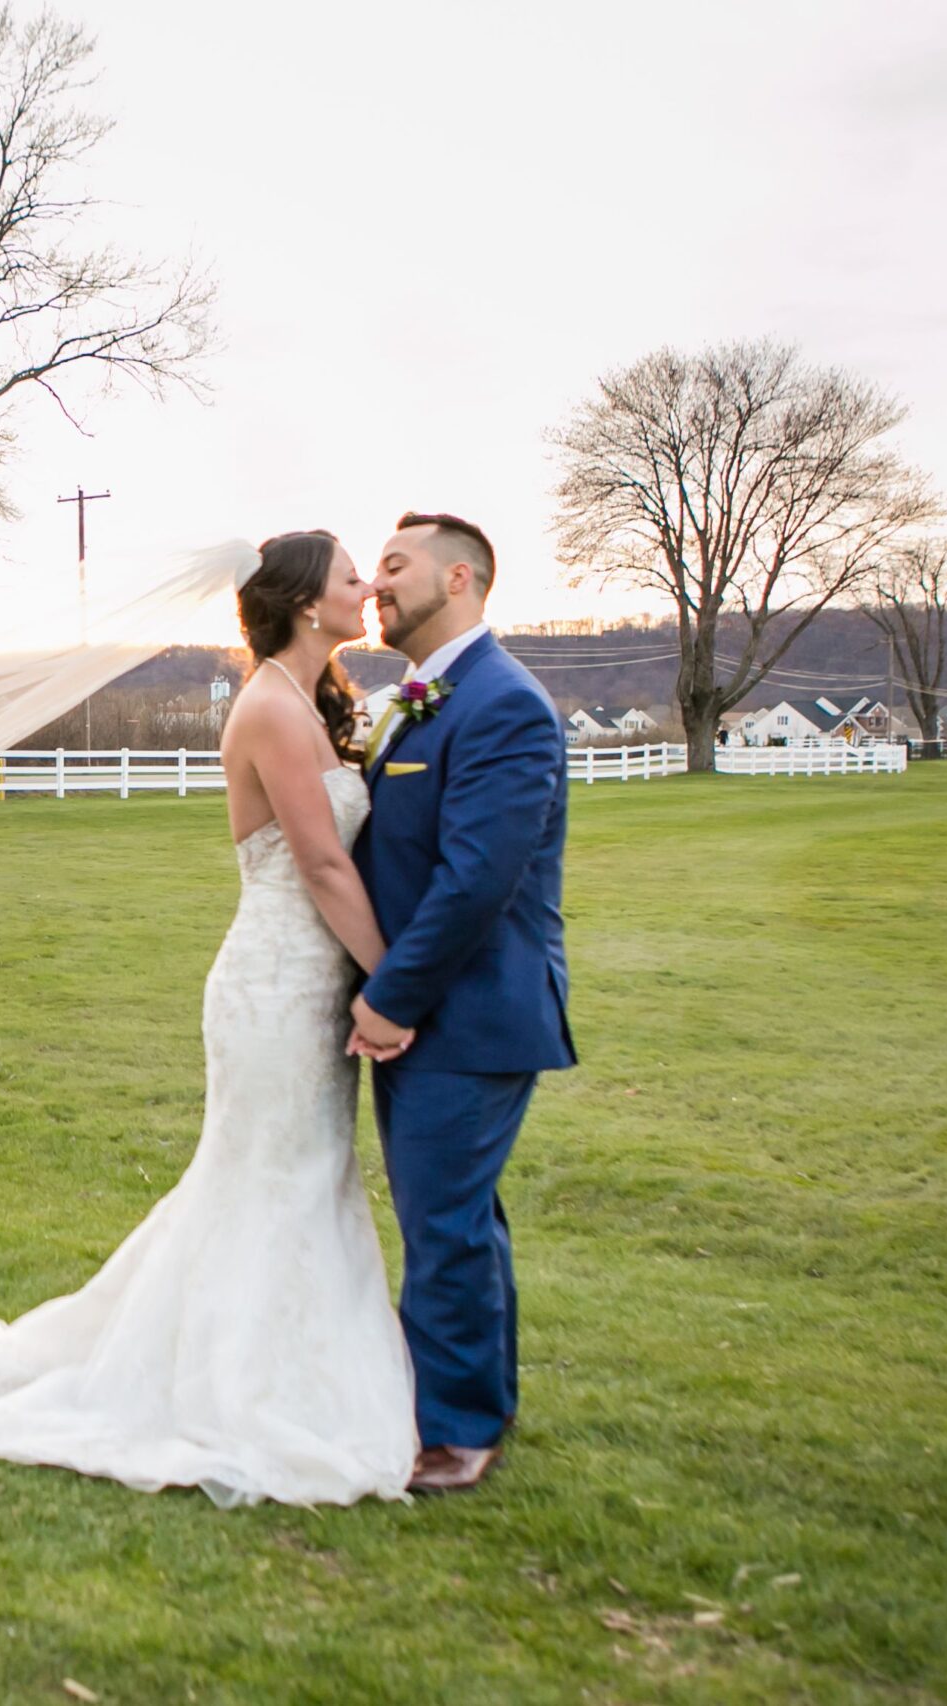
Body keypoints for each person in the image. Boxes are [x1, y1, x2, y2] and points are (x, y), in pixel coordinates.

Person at [0, 530, 418, 1507]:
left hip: (307, 981)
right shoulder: (267, 706)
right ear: (307, 604)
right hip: (274, 986)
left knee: (301, 1175)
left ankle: (286, 1365)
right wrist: (396, 986)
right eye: (350, 576)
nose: (366, 590)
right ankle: (237, 1388)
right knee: (268, 1180)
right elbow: (323, 864)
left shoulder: (308, 700)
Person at [348, 512, 576, 1493]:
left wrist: (390, 998)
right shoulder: (418, 698)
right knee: (461, 1217)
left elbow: (478, 878)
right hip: (439, 1008)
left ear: (463, 578)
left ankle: (453, 1434)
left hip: (467, 1011)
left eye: (394, 567)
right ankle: (484, 1397)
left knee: (440, 1222)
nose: (374, 585)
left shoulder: (503, 705)